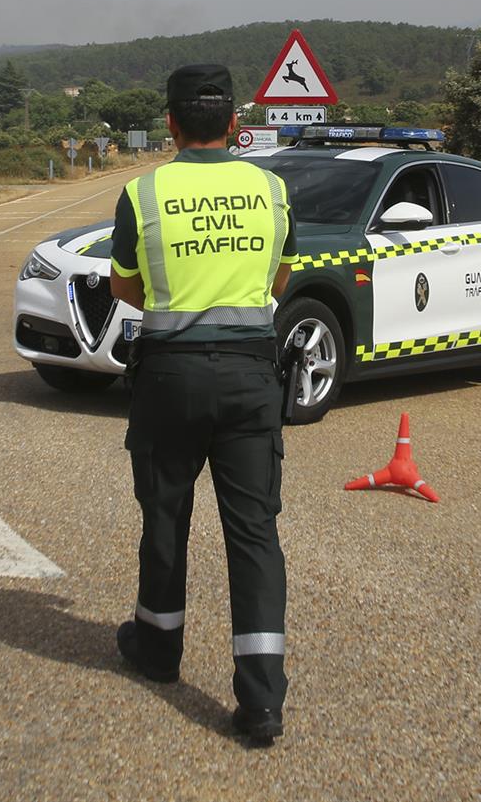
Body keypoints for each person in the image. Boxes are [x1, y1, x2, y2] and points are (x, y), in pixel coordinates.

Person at [107, 64, 296, 746]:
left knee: (165, 516)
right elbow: (278, 275)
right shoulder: (271, 189)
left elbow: (125, 287)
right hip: (251, 379)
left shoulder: (143, 191)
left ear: (172, 124)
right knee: (254, 532)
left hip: (170, 378)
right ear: (237, 128)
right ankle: (262, 700)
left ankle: (158, 650)